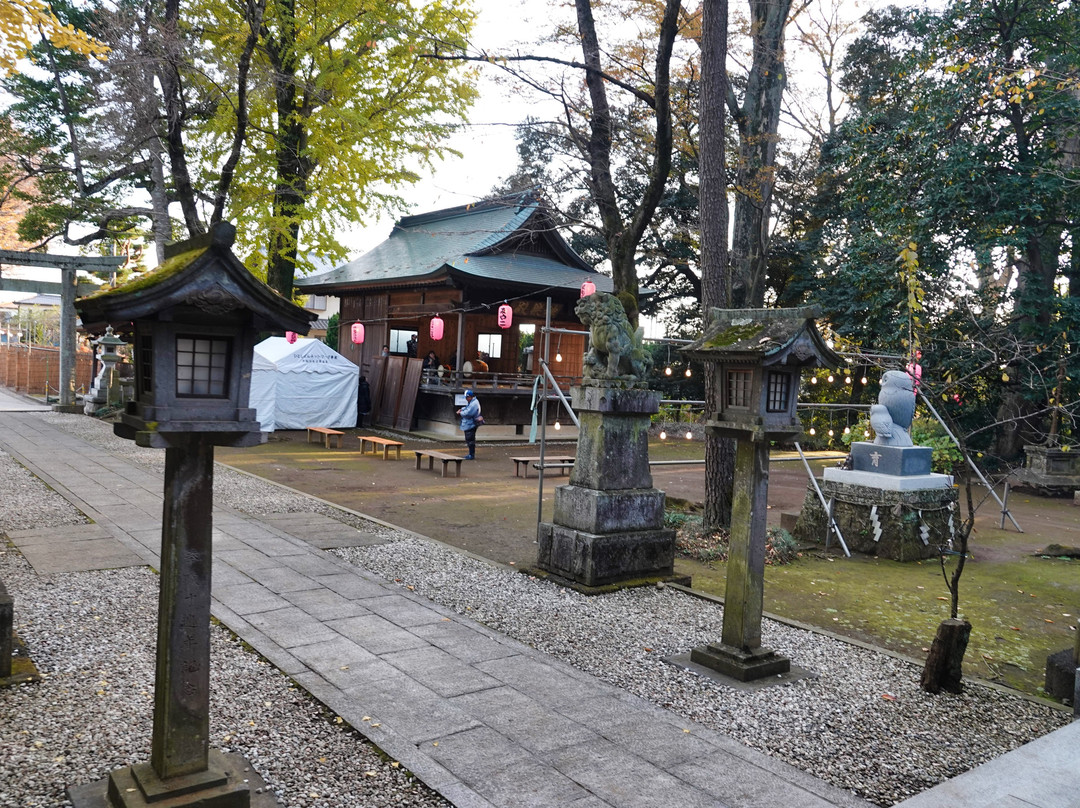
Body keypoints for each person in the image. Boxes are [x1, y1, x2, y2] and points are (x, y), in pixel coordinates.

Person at [456, 388, 481, 459]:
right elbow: (467, 408)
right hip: (470, 423)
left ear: (469, 396)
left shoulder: (473, 404)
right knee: (469, 439)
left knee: (470, 439)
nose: (466, 399)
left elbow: (468, 413)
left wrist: (461, 412)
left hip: (471, 423)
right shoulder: (473, 402)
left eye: (467, 397)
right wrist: (462, 409)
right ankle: (470, 454)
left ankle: (471, 454)